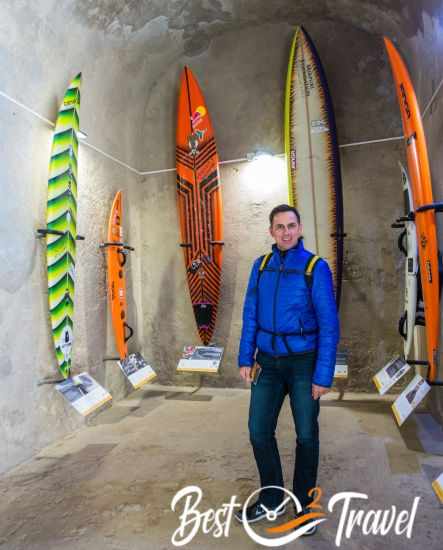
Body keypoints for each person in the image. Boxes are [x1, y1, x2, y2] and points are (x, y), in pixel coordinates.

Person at [235, 204, 339, 535]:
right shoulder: (261, 266)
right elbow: (250, 311)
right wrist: (244, 356)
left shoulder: (315, 267)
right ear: (271, 232)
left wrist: (323, 375)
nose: (286, 232)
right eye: (279, 227)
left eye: (291, 226)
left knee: (306, 435)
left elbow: (329, 324)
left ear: (299, 227)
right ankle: (271, 497)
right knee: (257, 430)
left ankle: (304, 503)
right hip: (267, 361)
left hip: (302, 362)